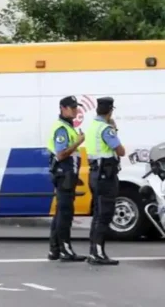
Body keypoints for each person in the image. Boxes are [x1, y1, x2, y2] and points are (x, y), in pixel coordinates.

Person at [85, 97, 126, 265]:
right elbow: (121, 151)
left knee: (97, 214)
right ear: (110, 111)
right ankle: (98, 254)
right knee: (105, 215)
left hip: (95, 174)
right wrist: (114, 129)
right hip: (105, 176)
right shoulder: (106, 129)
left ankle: (93, 251)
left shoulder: (92, 127)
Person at [47, 96, 87, 262]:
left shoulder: (68, 126)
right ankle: (65, 250)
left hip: (67, 175)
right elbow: (61, 154)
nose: (75, 110)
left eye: (76, 107)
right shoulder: (61, 129)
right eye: (71, 107)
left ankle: (55, 250)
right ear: (62, 108)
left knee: (61, 213)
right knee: (65, 214)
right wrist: (78, 143)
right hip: (64, 175)